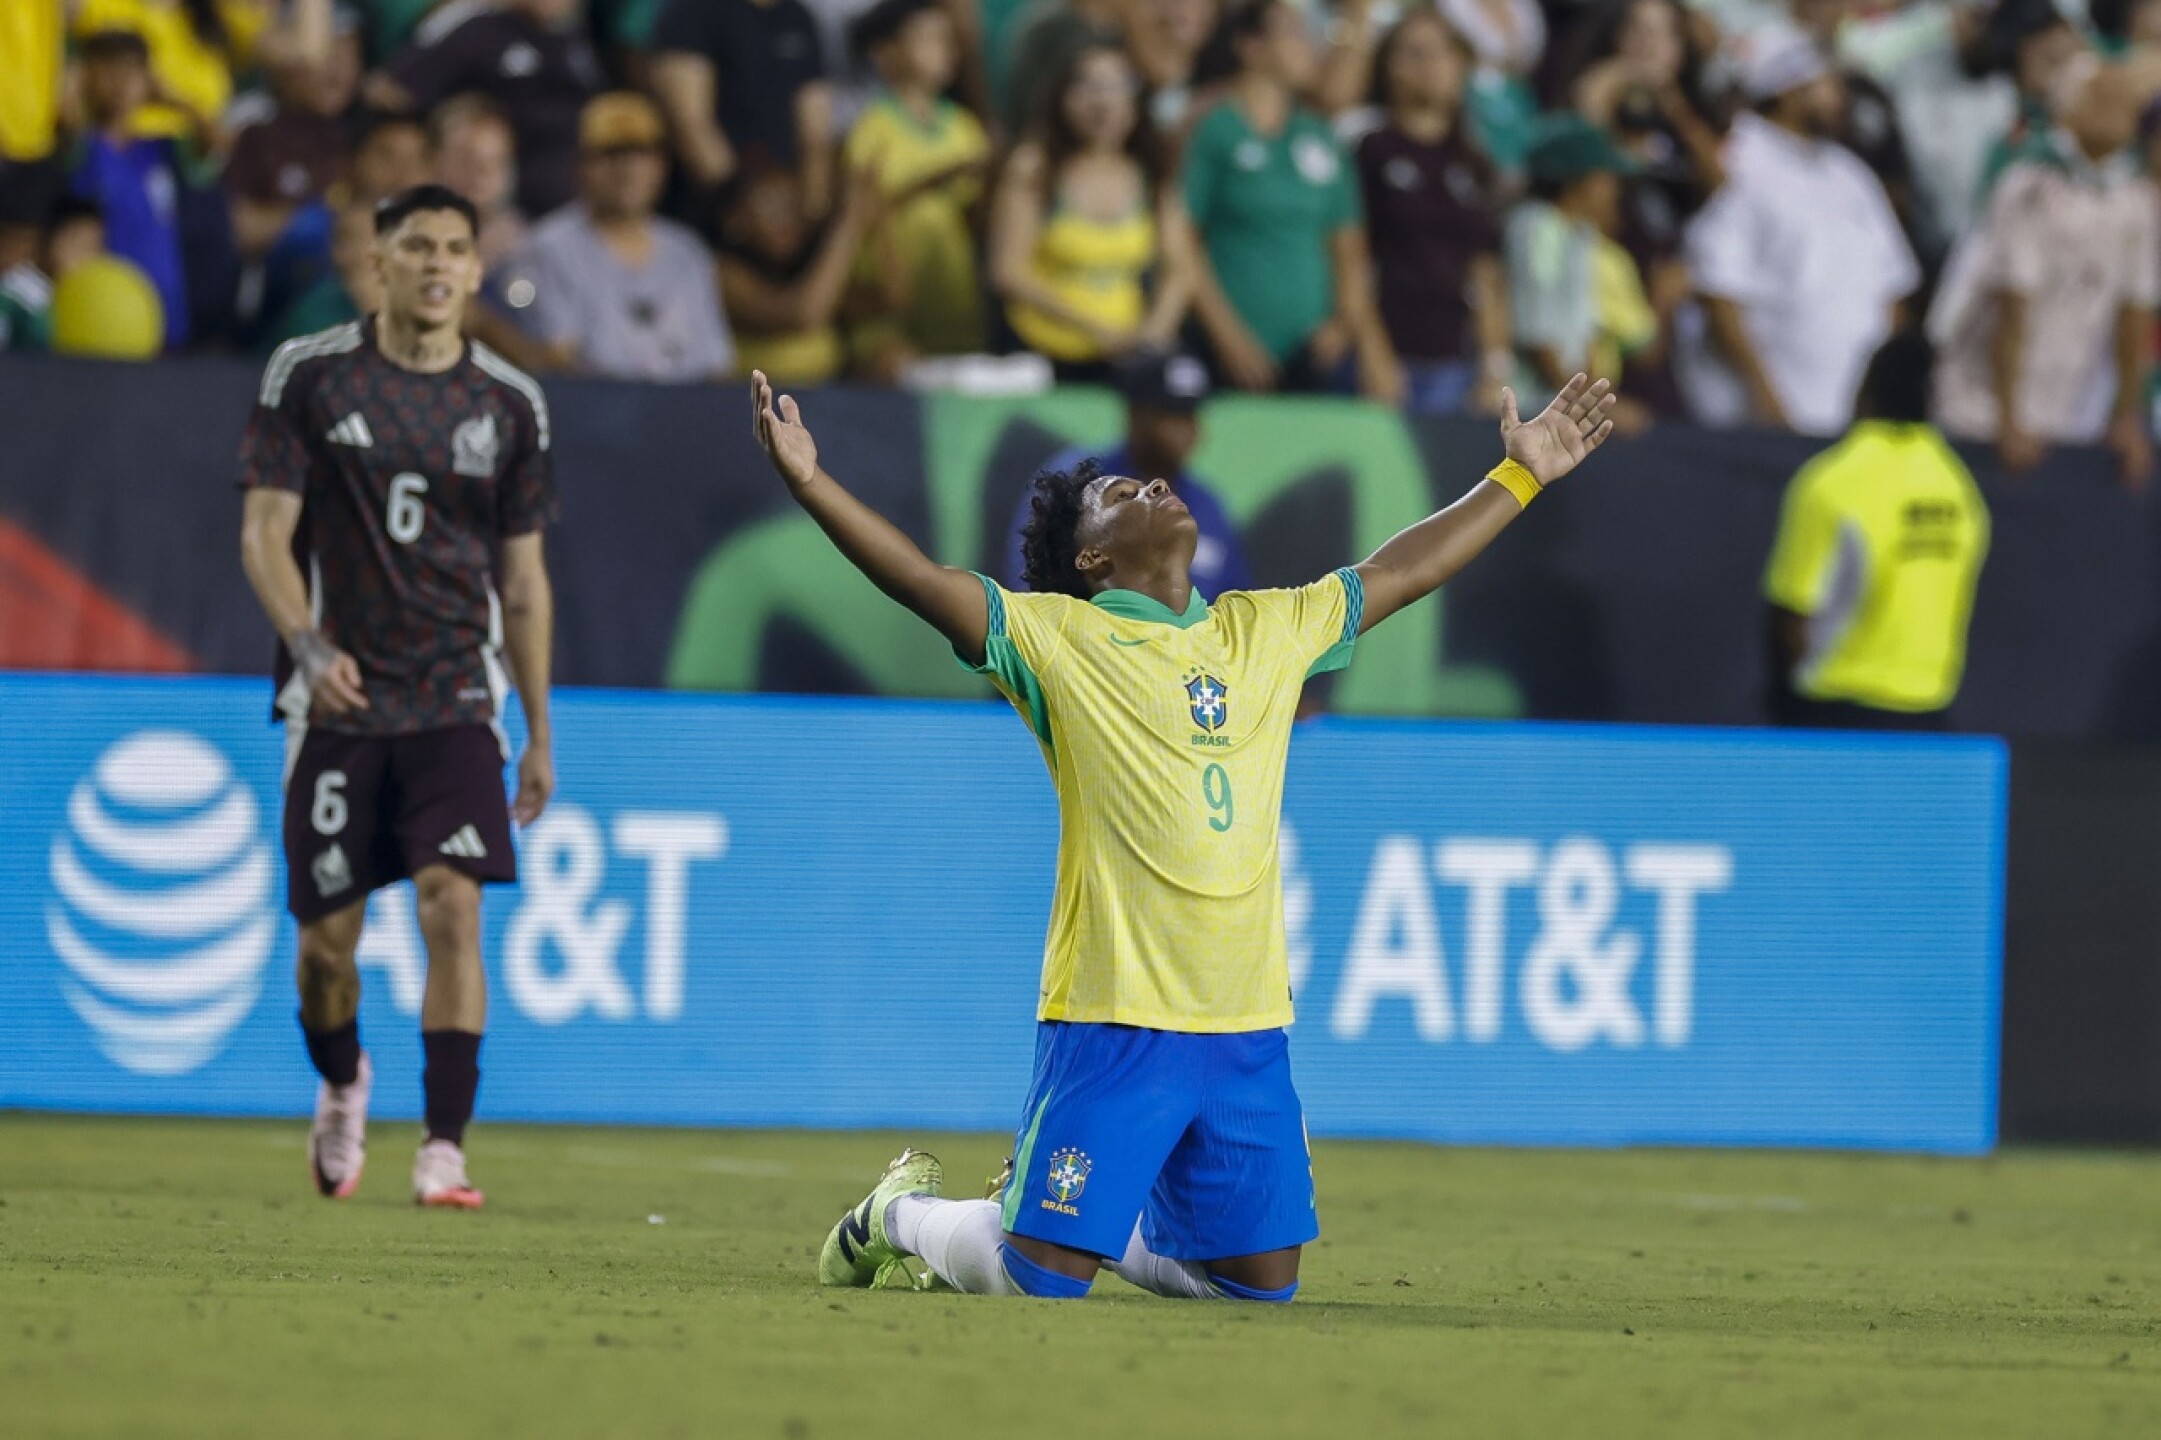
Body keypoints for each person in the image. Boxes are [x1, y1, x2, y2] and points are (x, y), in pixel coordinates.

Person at [745, 355, 1616, 1303]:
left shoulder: (1262, 627)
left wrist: (1519, 473)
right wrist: (810, 482)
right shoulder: (1054, 639)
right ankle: (896, 1217)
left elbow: (1401, 570)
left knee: (1256, 1289)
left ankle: (1087, 1223)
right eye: (1121, 492)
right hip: (1115, 1016)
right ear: (1091, 560)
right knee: (1035, 1280)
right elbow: (918, 579)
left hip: (1244, 1023)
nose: (1153, 483)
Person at [237, 183, 558, 1209]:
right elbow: (263, 534)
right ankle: (341, 1082)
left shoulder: (510, 404)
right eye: (415, 245)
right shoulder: (311, 375)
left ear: (474, 268)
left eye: (454, 248)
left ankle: (443, 1149)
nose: (435, 264)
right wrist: (305, 640)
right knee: (326, 952)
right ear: (376, 262)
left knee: (450, 906)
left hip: (459, 691)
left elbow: (523, 581)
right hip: (336, 699)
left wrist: (540, 727)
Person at [1677, 21, 1918, 437]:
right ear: (1787, 89)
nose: (1840, 96)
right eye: (1826, 83)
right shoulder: (1739, 164)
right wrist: (1766, 400)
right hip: (1773, 423)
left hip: (1856, 418)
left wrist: (1879, 392)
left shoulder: (1850, 173)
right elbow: (1719, 295)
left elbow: (1893, 286)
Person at [1930, 59, 2157, 487]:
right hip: (1981, 410)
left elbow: (2134, 316)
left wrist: (2127, 416)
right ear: (2065, 109)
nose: (2116, 110)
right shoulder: (2028, 182)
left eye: (2124, 100)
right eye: (2101, 97)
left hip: (2066, 411)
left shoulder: (2136, 201)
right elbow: (2012, 306)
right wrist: (2009, 418)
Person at [1763, 330, 1989, 731]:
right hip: (1930, 708)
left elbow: (1792, 609)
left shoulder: (1830, 480)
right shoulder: (1959, 487)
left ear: (1864, 391)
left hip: (1834, 709)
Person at [1184, 0, 1400, 401]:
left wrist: (1342, 327)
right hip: (1222, 353)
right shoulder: (1213, 128)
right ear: (1251, 46)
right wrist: (1227, 336)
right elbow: (1183, 239)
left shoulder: (1321, 137)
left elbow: (1348, 250)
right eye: (1294, 33)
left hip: (1313, 356)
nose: (1310, 45)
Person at [989, 42, 1192, 382]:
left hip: (1127, 354)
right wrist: (1096, 330)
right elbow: (1008, 272)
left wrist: (1154, 334)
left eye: (1117, 87)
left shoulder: (1151, 171)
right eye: (1087, 87)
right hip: (1042, 352)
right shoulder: (1034, 166)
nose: (1103, 103)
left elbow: (1182, 268)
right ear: (1061, 98)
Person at [503, 92, 736, 382]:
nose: (628, 170)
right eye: (611, 154)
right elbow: (556, 361)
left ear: (661, 166)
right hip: (599, 416)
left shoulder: (687, 251)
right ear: (581, 166)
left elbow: (716, 366)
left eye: (642, 153)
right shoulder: (549, 247)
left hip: (684, 414)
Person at [1357, 7, 1511, 417]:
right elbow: (1350, 257)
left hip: (1455, 360)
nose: (1431, 65)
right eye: (1414, 53)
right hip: (1388, 352)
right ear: (1388, 67)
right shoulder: (1370, 149)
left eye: (1442, 52)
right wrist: (1374, 353)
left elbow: (1486, 272)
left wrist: (1495, 367)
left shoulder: (1475, 162)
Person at [1002, 351, 1252, 598]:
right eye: (1171, 413)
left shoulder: (1207, 505)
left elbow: (1233, 598)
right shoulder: (1077, 482)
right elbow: (1031, 579)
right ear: (1135, 414)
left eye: (1191, 414)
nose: (1186, 428)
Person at [843, 0, 990, 359]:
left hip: (957, 308)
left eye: (947, 39)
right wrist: (934, 181)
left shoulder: (966, 128)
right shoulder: (871, 129)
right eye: (927, 38)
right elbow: (867, 214)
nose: (944, 50)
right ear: (885, 54)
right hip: (889, 306)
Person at [367, 0, 603, 219]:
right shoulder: (478, 28)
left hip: (574, 210)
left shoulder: (578, 40)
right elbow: (387, 92)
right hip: (493, 207)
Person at [66, 27, 198, 350]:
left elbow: (217, 143)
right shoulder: (82, 149)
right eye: (109, 70)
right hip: (105, 322)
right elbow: (65, 123)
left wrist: (171, 98)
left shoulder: (159, 150)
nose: (121, 82)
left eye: (132, 70)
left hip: (169, 320)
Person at [716, 161, 903, 385]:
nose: (786, 218)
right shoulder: (724, 273)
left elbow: (890, 299)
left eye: (793, 206)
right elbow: (802, 316)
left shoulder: (810, 269)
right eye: (771, 205)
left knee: (893, 356)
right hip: (756, 406)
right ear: (735, 219)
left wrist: (879, 221)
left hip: (826, 398)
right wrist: (850, 222)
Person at [648, 0, 835, 221]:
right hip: (712, 206)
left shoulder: (797, 16)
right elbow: (689, 123)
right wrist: (740, 206)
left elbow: (816, 136)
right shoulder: (691, 10)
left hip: (786, 202)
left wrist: (812, 213)